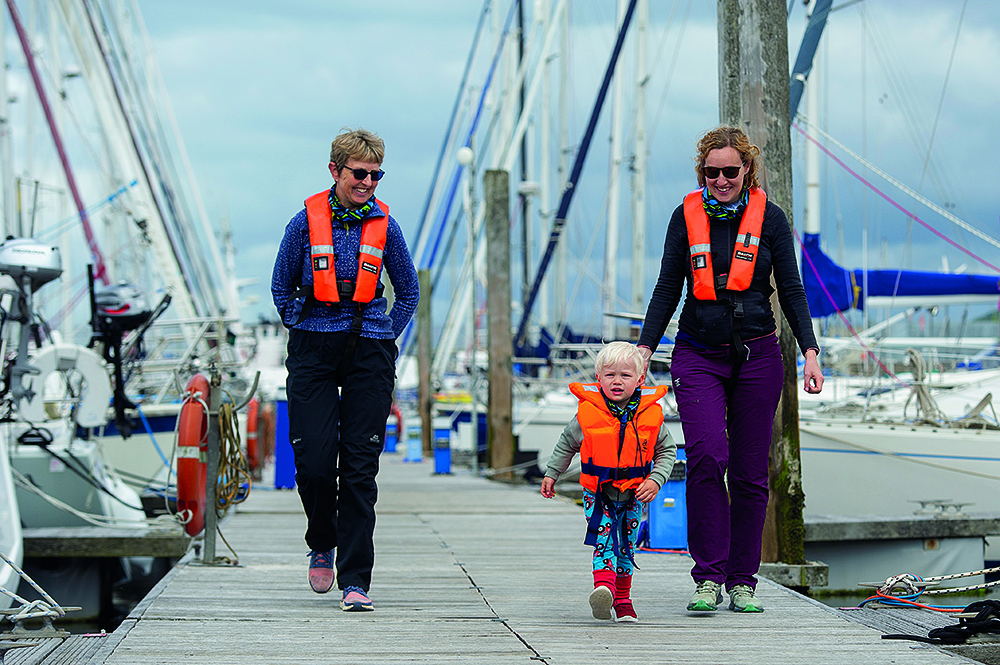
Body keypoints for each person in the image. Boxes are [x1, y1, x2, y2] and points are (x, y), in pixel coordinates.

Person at [637, 125, 824, 614]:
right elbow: (665, 290)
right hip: (698, 352)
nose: (720, 179)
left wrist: (810, 351)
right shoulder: (685, 217)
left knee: (748, 472)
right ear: (702, 172)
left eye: (730, 171)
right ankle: (707, 578)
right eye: (711, 171)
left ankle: (742, 579)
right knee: (705, 457)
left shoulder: (773, 220)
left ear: (747, 170)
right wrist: (641, 351)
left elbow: (794, 290)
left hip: (760, 355)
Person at [271, 128, 419, 612]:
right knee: (314, 462)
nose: (369, 183)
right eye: (360, 174)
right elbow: (280, 288)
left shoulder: (387, 227)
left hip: (369, 351)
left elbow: (409, 292)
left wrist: (386, 332)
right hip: (314, 349)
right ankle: (321, 540)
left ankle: (355, 579)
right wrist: (304, 323)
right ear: (335, 171)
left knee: (359, 470)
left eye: (376, 175)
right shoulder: (303, 223)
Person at [540, 342, 676, 623]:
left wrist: (656, 480)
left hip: (635, 494)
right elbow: (566, 444)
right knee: (603, 540)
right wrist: (552, 474)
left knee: (627, 545)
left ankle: (623, 600)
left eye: (625, 376)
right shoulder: (587, 413)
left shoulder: (651, 415)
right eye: (610, 375)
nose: (617, 381)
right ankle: (603, 589)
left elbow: (667, 451)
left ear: (640, 379)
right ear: (598, 378)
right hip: (598, 494)